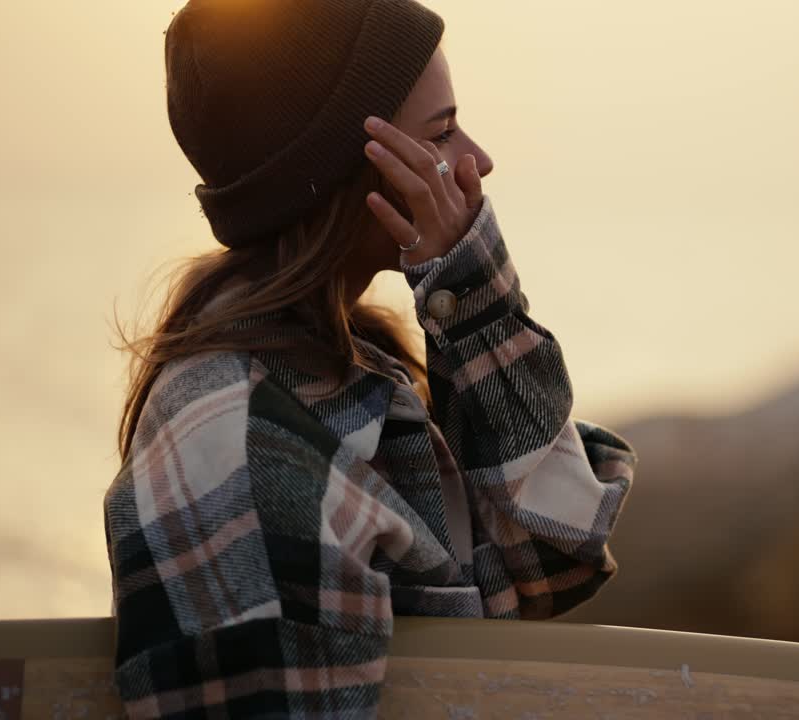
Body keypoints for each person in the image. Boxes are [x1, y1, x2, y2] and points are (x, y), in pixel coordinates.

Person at [104, 0, 636, 716]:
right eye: (442, 132)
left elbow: (547, 561)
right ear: (344, 167)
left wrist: (471, 302)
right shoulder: (235, 442)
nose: (477, 160)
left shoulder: (351, 364)